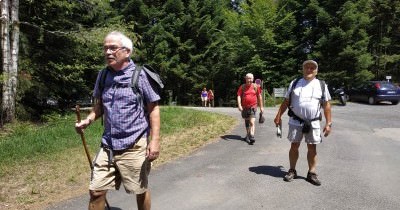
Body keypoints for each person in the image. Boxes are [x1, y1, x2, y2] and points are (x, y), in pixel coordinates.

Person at [75, 31, 161, 210]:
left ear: (127, 51)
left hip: (135, 144)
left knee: (140, 189)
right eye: (105, 48)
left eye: (113, 48)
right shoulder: (103, 75)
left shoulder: (140, 75)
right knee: (96, 191)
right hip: (108, 145)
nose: (108, 52)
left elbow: (153, 109)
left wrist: (154, 142)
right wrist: (89, 119)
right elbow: (100, 105)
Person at [273, 60, 332, 186]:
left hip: (313, 122)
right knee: (294, 146)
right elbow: (286, 102)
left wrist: (328, 123)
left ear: (316, 71)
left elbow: (326, 105)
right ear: (303, 69)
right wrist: (278, 115)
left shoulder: (321, 85)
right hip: (295, 120)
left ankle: (312, 173)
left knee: (312, 147)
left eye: (312, 68)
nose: (309, 70)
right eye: (307, 67)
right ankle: (292, 170)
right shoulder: (295, 83)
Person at [237, 73, 264, 144]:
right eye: (248, 78)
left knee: (252, 122)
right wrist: (239, 105)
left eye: (250, 79)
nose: (249, 80)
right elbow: (239, 96)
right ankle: (248, 135)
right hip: (245, 107)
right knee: (247, 121)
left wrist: (261, 107)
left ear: (253, 79)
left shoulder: (256, 86)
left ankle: (251, 136)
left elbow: (259, 96)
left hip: (253, 107)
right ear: (245, 79)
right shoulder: (242, 87)